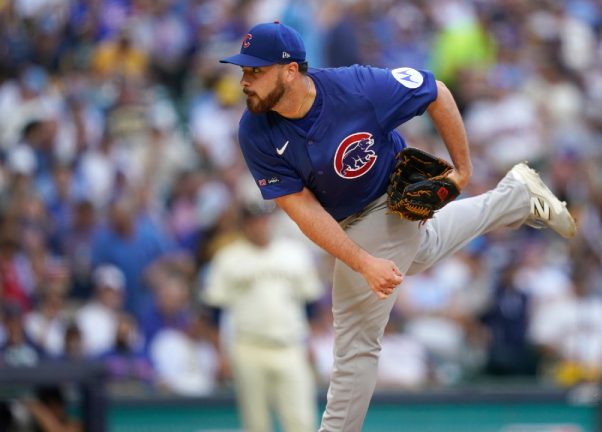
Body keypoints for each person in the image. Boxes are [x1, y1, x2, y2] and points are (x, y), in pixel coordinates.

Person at [218, 21, 576, 432]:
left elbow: (436, 92)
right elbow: (302, 209)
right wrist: (361, 259)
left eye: (255, 71)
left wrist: (463, 169)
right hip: (353, 218)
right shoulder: (254, 130)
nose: (245, 80)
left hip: (392, 195)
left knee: (356, 339)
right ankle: (517, 196)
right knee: (422, 250)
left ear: (290, 71)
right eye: (243, 70)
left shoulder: (355, 87)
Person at [203, 206, 323, 432]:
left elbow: (310, 305)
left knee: (301, 421)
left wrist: (311, 343)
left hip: (290, 345)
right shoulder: (228, 257)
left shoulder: (294, 253)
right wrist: (219, 354)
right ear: (245, 224)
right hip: (248, 345)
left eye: (263, 220)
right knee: (256, 423)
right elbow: (215, 310)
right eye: (254, 220)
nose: (260, 225)